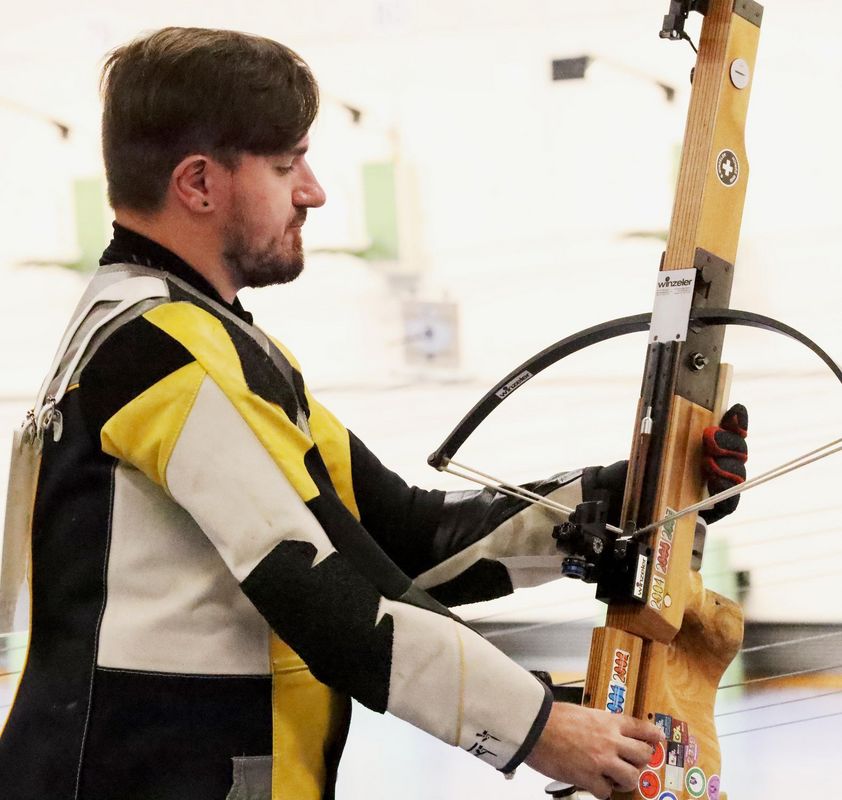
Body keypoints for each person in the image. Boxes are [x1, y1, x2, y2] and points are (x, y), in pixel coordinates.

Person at [0, 27, 748, 800]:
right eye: (286, 166)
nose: (313, 191)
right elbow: (321, 589)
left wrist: (636, 497)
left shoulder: (195, 339)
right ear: (198, 184)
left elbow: (403, 537)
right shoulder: (165, 349)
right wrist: (539, 727)